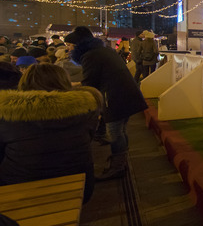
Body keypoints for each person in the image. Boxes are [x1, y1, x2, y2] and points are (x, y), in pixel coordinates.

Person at [0, 64, 102, 202]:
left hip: (20, 189)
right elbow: (88, 138)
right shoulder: (86, 107)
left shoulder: (7, 114)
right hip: (82, 187)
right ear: (64, 81)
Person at [66, 26, 148, 180]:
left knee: (115, 133)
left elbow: (90, 83)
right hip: (125, 95)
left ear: (77, 45)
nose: (68, 49)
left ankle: (118, 166)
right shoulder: (101, 51)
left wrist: (71, 86)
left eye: (70, 45)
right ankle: (121, 162)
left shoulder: (90, 56)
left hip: (115, 97)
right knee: (120, 131)